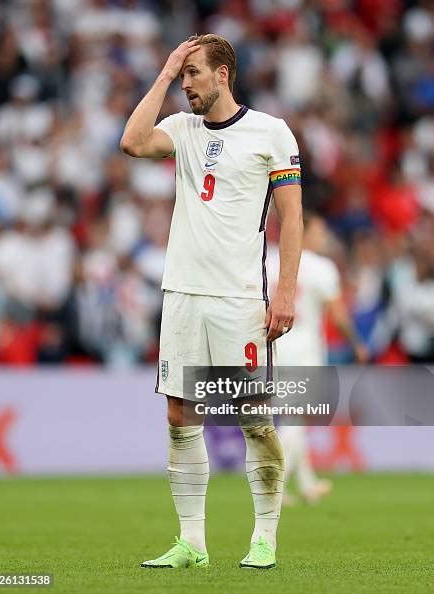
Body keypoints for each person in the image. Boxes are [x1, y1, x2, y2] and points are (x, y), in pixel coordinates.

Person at [120, 34, 303, 569]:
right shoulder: (180, 129)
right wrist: (164, 70)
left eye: (193, 74)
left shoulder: (271, 131)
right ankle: (192, 543)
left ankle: (264, 538)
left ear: (223, 74)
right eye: (181, 77)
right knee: (180, 414)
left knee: (252, 418)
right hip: (181, 295)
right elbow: (131, 142)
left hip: (238, 297)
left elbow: (292, 216)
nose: (186, 86)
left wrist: (286, 290)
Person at [267, 211, 368, 504]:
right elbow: (337, 315)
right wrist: (357, 343)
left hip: (272, 348)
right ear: (303, 231)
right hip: (304, 350)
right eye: (320, 232)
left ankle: (307, 482)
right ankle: (275, 486)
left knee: (289, 418)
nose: (323, 238)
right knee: (296, 421)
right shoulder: (322, 267)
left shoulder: (268, 261)